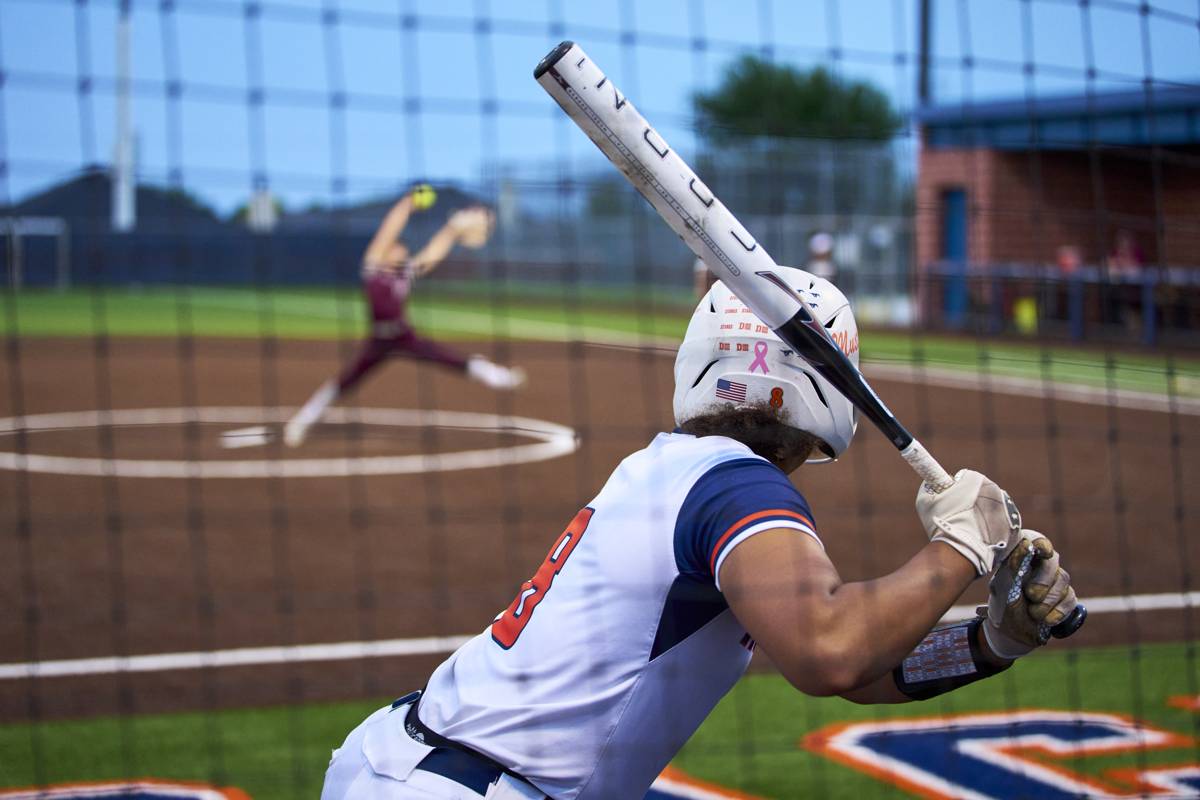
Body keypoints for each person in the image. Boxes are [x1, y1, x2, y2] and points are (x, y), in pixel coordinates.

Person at [320, 267, 1079, 799]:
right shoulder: (735, 485)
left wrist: (992, 640)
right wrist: (960, 546)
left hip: (409, 763)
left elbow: (862, 667)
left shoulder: (683, 470)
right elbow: (830, 652)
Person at [284, 189, 525, 447]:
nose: (401, 248)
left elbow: (433, 253)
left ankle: (497, 376)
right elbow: (388, 230)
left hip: (403, 335)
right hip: (377, 341)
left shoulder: (404, 273)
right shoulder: (373, 266)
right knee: (346, 381)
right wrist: (406, 204)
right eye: (397, 247)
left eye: (403, 248)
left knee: (449, 358)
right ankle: (303, 421)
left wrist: (451, 231)